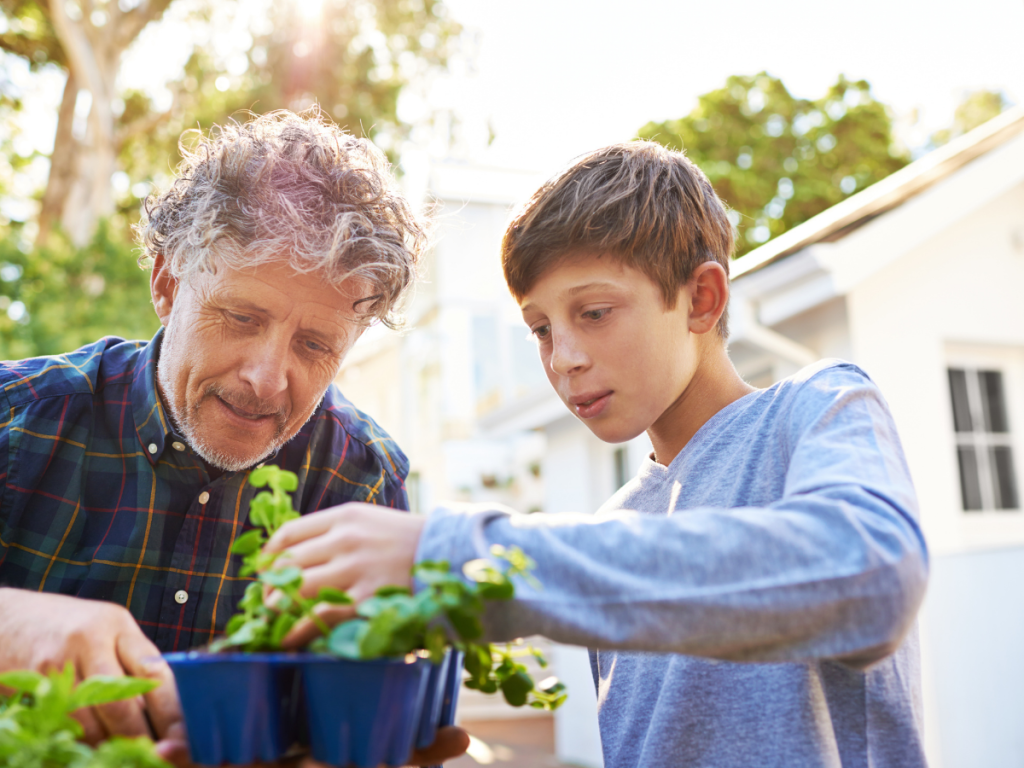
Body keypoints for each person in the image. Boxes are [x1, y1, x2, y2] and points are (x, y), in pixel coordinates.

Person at [267, 141, 931, 767]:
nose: (564, 358)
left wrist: (454, 557)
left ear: (702, 299)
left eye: (594, 312)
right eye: (540, 329)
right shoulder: (617, 526)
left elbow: (869, 579)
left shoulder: (817, 408)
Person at [0, 109, 468, 766]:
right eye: (241, 317)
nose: (267, 378)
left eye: (315, 345)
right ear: (166, 283)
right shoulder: (16, 419)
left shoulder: (363, 481)